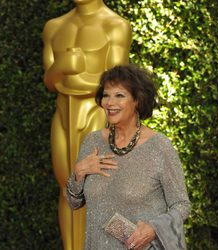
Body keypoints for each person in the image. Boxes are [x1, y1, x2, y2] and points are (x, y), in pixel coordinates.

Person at [66, 64, 191, 250]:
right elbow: (73, 202)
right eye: (106, 95)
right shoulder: (92, 142)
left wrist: (153, 229)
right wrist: (78, 173)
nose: (109, 102)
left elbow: (181, 205)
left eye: (119, 95)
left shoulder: (159, 147)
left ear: (137, 101)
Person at [42, 0, 132, 249]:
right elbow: (49, 79)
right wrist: (62, 66)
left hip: (97, 116)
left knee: (99, 190)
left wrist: (77, 78)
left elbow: (116, 84)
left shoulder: (115, 26)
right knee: (67, 187)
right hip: (62, 116)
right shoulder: (54, 27)